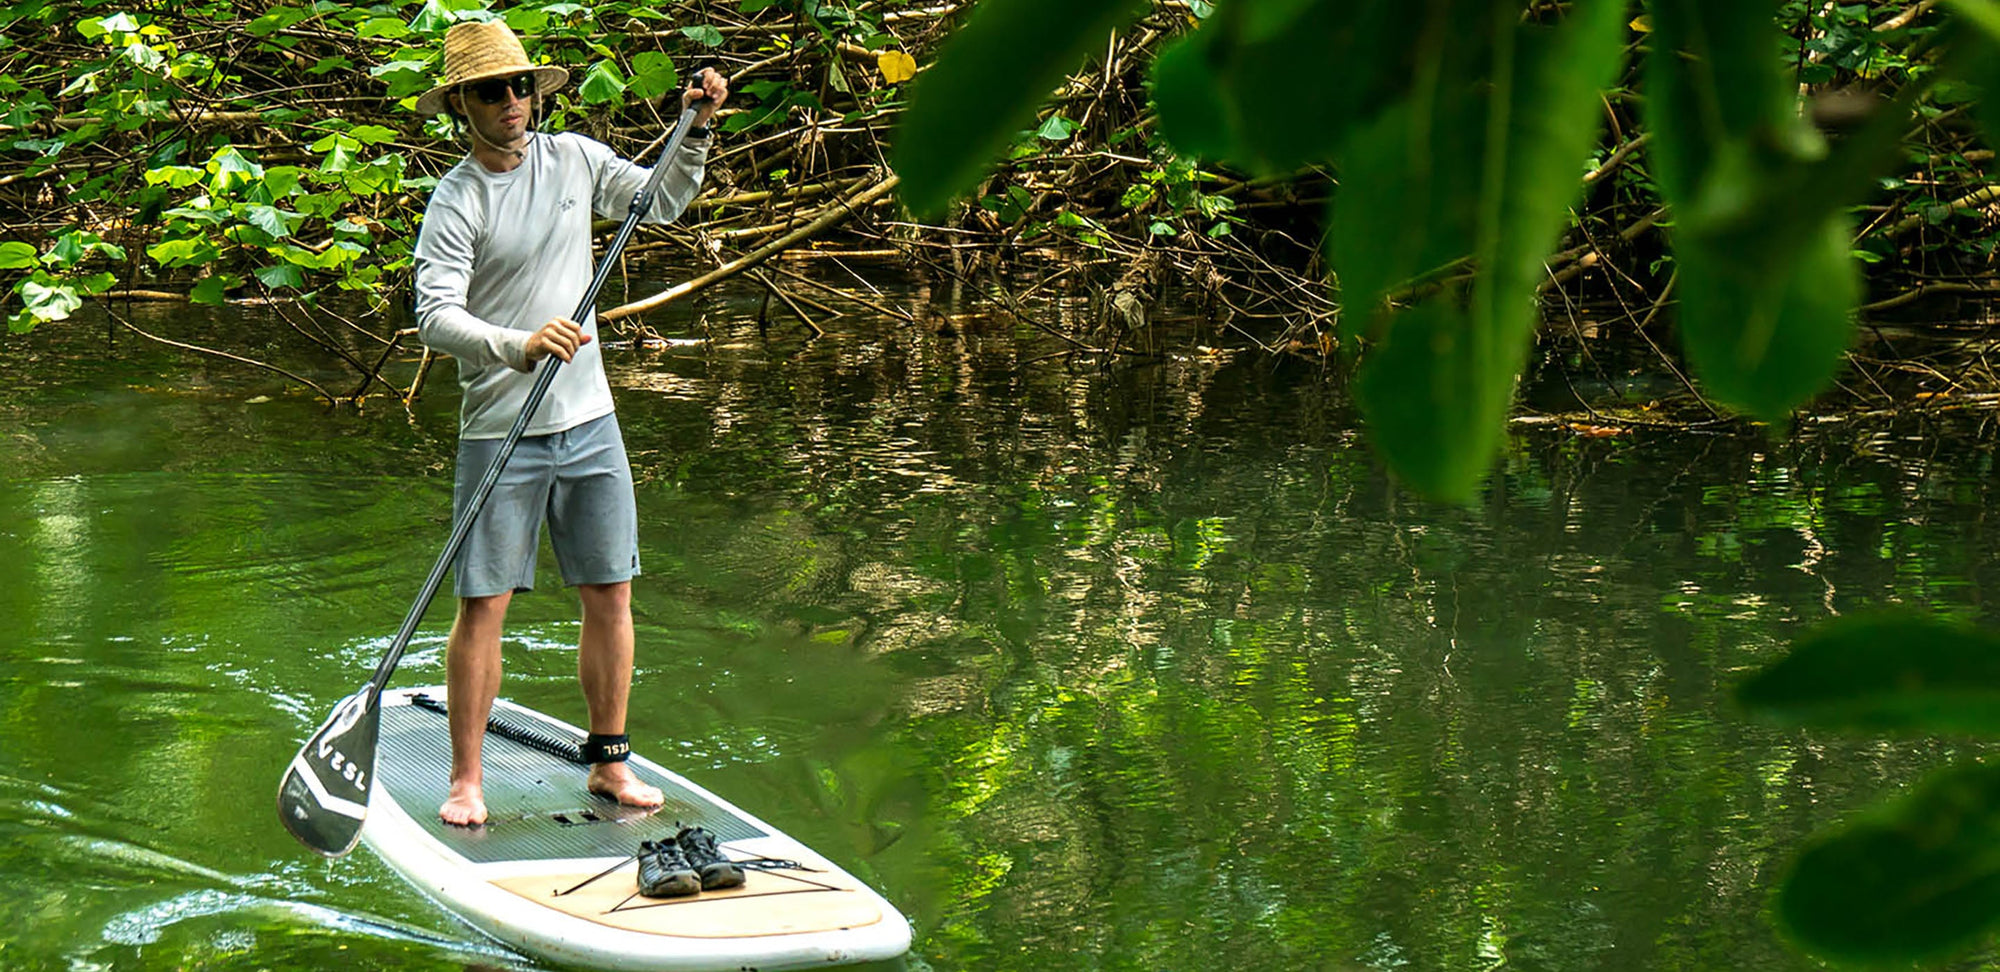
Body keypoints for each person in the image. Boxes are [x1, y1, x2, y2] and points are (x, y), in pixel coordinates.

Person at [408, 20, 729, 826]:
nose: (511, 101)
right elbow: (434, 317)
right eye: (491, 91)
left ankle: (610, 764)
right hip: (499, 428)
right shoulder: (458, 199)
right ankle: (467, 780)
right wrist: (517, 345)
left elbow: (662, 203)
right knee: (484, 603)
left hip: (590, 420)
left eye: (520, 87)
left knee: (610, 593)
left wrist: (695, 128)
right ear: (462, 106)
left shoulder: (576, 159)